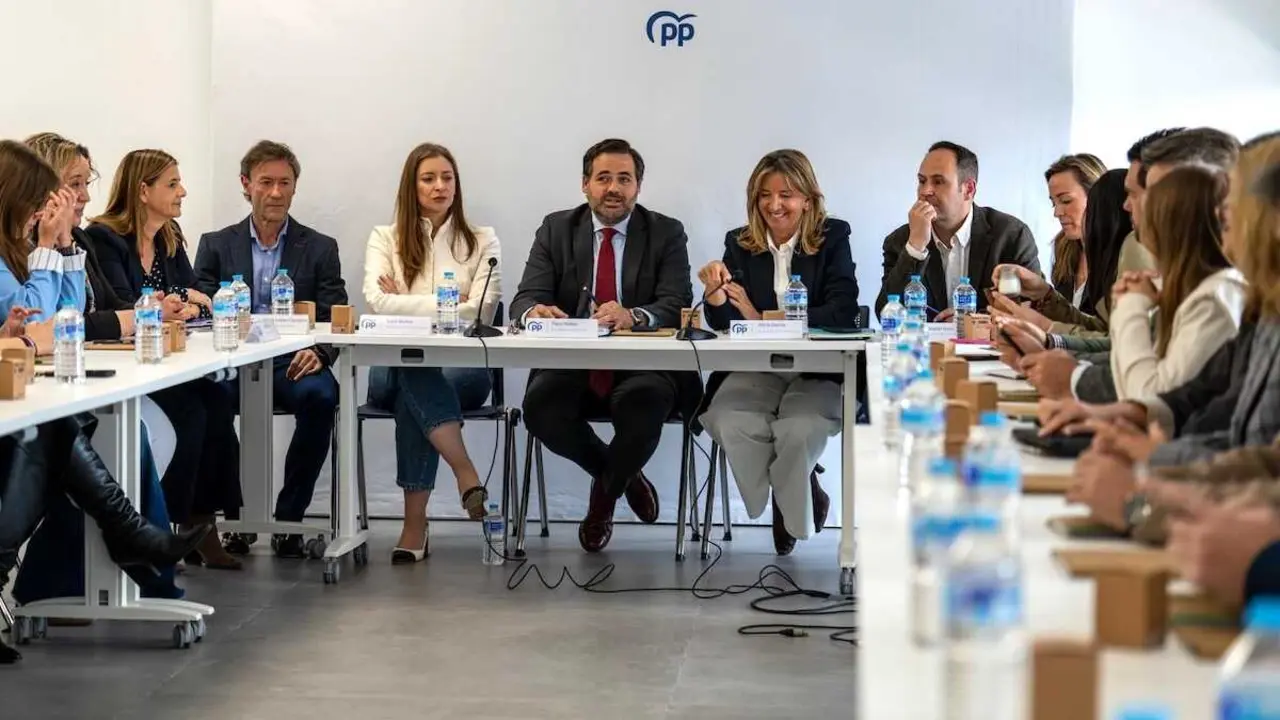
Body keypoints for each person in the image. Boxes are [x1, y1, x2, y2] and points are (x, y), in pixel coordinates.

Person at [1062, 132, 1280, 535]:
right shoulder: (1265, 314)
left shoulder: (1222, 295)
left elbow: (1257, 463)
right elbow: (1202, 401)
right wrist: (1138, 420)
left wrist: (1145, 492)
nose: (1223, 215)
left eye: (1233, 207)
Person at [511, 138, 699, 553]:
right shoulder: (556, 228)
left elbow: (677, 303)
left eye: (624, 179)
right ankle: (621, 478)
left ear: (638, 187)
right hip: (573, 365)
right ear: (585, 185)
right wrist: (535, 313)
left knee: (645, 404)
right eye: (603, 178)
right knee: (541, 408)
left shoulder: (666, 232)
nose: (613, 188)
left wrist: (634, 315)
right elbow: (524, 298)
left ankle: (601, 502)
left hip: (643, 366)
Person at [997, 128, 1240, 403]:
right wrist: (1050, 342)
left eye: (1139, 195)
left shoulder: (1211, 293)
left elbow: (1153, 392)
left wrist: (1067, 363)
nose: (1126, 206)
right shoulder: (1069, 251)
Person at [85, 150, 244, 569]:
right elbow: (118, 305)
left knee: (218, 399)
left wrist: (182, 305)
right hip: (126, 366)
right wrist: (174, 304)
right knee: (191, 411)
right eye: (172, 184)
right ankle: (165, 529)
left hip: (166, 361)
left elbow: (198, 298)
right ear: (142, 190)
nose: (183, 191)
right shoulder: (103, 238)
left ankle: (202, 524)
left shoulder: (169, 237)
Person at [696, 150, 858, 555]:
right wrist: (715, 296)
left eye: (786, 194)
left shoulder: (833, 236)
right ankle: (796, 489)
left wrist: (759, 314)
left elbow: (843, 310)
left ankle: (790, 510)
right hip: (758, 368)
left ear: (808, 199)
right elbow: (724, 323)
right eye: (765, 195)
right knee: (729, 419)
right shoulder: (740, 242)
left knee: (799, 429)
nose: (774, 205)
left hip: (817, 371)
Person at [193, 140, 347, 559]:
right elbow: (198, 314)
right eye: (266, 182)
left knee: (321, 397)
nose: (276, 192)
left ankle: (289, 520)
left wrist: (322, 352)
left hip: (293, 362)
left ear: (295, 188)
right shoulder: (215, 245)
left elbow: (335, 313)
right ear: (246, 185)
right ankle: (238, 517)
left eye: (285, 183)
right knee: (208, 404)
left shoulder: (319, 247)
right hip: (231, 363)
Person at [361, 143, 499, 562]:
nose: (440, 187)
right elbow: (375, 302)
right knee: (411, 369)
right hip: (392, 368)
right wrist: (448, 301)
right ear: (412, 186)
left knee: (414, 386)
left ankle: (414, 527)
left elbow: (483, 309)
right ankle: (465, 471)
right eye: (428, 178)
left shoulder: (481, 239)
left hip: (465, 371)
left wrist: (408, 298)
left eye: (447, 178)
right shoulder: (384, 238)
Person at [1108, 165, 1243, 400]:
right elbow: (1128, 395)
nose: (1128, 207)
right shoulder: (1187, 288)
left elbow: (1149, 401)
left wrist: (1131, 308)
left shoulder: (1213, 299)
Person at [874, 141, 1039, 321]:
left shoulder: (1011, 235)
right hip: (924, 347)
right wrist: (915, 249)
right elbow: (886, 314)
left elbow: (1032, 309)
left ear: (968, 189)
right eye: (922, 181)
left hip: (993, 348)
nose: (925, 191)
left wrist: (974, 320)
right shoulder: (901, 241)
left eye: (938, 182)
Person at [0, 141, 84, 320]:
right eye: (35, 203)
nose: (40, 213)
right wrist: (45, 244)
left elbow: (71, 314)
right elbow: (33, 320)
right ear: (11, 199)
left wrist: (65, 243)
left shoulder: (22, 247)